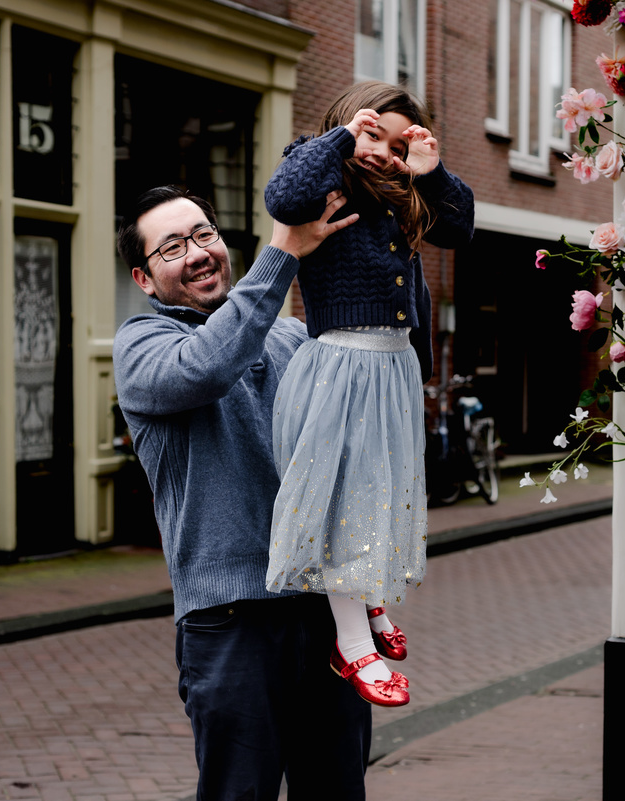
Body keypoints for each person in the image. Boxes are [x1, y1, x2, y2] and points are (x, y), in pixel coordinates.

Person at [113, 184, 370, 801]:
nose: (198, 252)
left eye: (204, 234)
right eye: (173, 247)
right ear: (144, 279)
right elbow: (208, 363)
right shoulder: (142, 347)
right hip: (230, 622)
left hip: (323, 608)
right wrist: (282, 252)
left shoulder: (289, 339)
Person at [263, 81, 474, 707]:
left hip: (392, 370)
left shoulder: (404, 195)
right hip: (343, 366)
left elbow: (459, 231)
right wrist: (341, 139)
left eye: (397, 141)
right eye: (373, 133)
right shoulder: (326, 178)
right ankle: (352, 643)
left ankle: (369, 598)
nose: (382, 151)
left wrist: (430, 172)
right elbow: (283, 195)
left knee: (379, 495)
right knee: (343, 500)